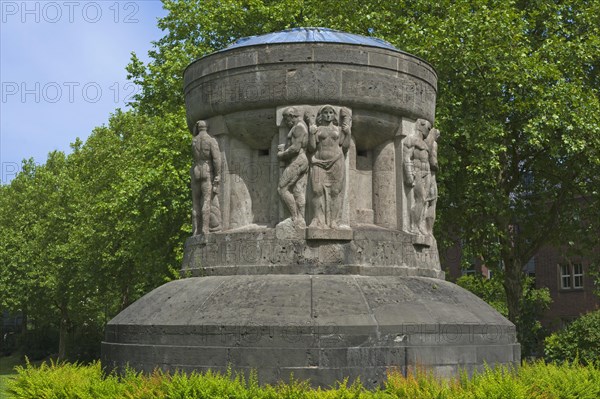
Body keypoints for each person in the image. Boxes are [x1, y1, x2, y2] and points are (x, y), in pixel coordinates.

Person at [305, 105, 351, 229]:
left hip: (336, 161)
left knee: (335, 192)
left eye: (331, 112)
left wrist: (348, 133)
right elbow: (311, 148)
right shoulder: (318, 129)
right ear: (321, 115)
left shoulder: (339, 129)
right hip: (318, 162)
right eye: (325, 112)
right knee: (316, 190)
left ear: (334, 115)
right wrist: (311, 133)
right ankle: (316, 219)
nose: (328, 115)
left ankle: (334, 221)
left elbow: (345, 147)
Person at [277, 107, 309, 227]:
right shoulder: (300, 127)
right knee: (297, 189)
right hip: (302, 160)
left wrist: (282, 154)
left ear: (292, 116)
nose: (286, 122)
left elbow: (295, 148)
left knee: (282, 188)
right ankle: (301, 219)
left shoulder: (298, 128)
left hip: (298, 160)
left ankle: (295, 217)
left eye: (286, 119)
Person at [191, 120, 222, 235]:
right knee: (206, 201)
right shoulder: (210, 140)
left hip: (196, 170)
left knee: (195, 202)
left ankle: (195, 230)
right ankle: (205, 229)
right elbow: (216, 159)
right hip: (206, 169)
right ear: (207, 127)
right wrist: (218, 174)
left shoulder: (194, 140)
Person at [403, 118, 432, 235]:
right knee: (420, 199)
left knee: (425, 201)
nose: (428, 131)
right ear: (421, 125)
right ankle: (414, 226)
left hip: (427, 172)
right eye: (428, 128)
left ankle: (420, 224)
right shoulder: (411, 140)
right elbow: (406, 158)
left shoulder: (425, 143)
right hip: (418, 172)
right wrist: (409, 175)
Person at [425, 127, 440, 236]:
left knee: (429, 201)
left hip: (426, 174)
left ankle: (427, 229)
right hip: (429, 174)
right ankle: (428, 230)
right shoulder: (433, 143)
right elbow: (433, 162)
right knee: (431, 201)